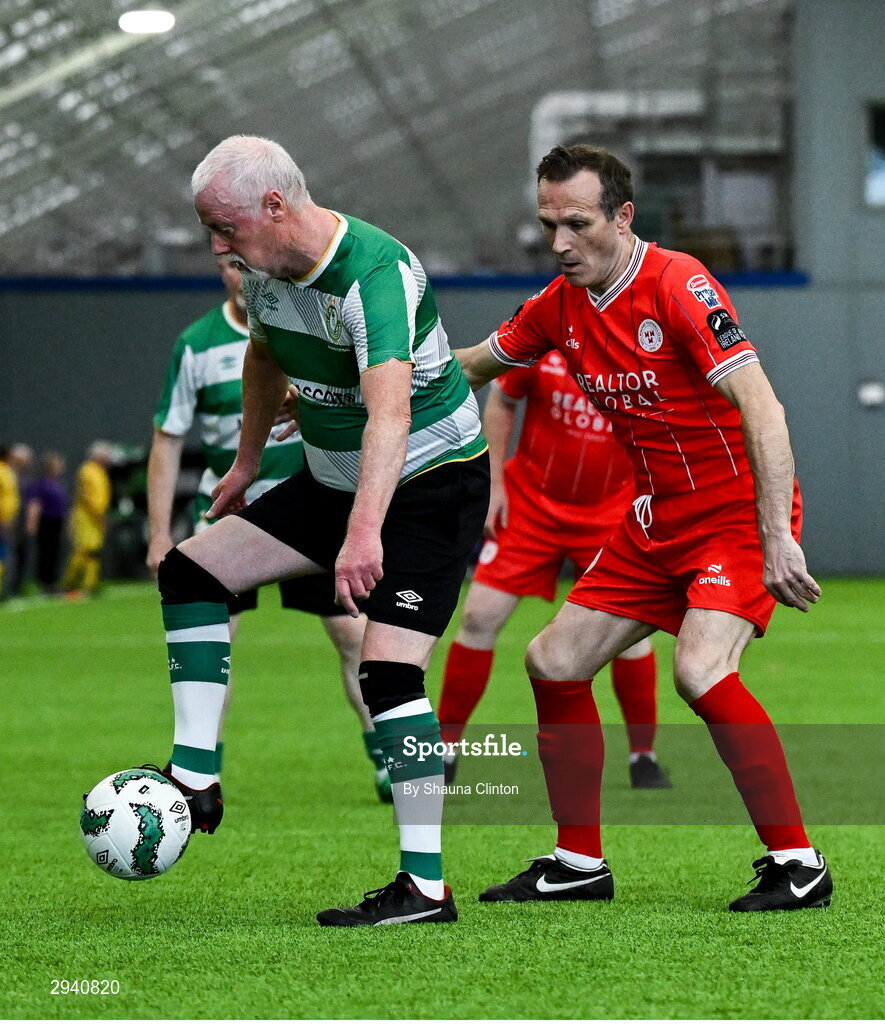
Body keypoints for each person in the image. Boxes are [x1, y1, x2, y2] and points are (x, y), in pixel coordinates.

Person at [456, 144, 831, 913]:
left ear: (622, 218)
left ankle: (798, 863)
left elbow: (763, 410)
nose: (559, 243)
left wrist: (774, 535)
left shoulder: (679, 283)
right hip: (655, 518)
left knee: (698, 672)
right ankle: (576, 863)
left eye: (577, 224)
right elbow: (470, 367)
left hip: (732, 515)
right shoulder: (557, 306)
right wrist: (359, 385)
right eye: (547, 225)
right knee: (552, 660)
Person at [154, 135, 489, 927]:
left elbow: (392, 415)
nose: (216, 246)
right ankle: (196, 772)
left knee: (387, 675)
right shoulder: (263, 273)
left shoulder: (375, 273)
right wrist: (242, 468)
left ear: (275, 206)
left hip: (429, 488)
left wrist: (362, 534)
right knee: (191, 572)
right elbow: (264, 362)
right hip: (334, 478)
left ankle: (425, 889)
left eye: (224, 227)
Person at [145, 259, 388, 802]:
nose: (241, 273)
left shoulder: (308, 320)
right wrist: (159, 533)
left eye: (247, 263)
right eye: (230, 264)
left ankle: (387, 762)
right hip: (229, 517)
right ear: (216, 263)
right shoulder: (196, 345)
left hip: (309, 510)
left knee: (354, 635)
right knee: (213, 640)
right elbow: (168, 437)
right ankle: (198, 773)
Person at [438, 352, 670, 788]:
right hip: (531, 505)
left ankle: (644, 757)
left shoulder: (643, 344)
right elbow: (502, 397)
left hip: (612, 511)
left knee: (629, 632)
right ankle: (446, 750)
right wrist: (495, 484)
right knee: (478, 616)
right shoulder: (545, 330)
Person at [62, 441, 114, 598]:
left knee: (94, 551)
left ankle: (90, 584)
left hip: (97, 516)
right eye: (106, 455)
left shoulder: (100, 472)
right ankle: (69, 583)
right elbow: (86, 496)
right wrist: (98, 515)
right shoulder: (87, 470)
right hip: (86, 517)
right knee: (83, 551)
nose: (108, 458)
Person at [23, 451, 69, 594]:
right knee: (46, 553)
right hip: (46, 522)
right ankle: (46, 583)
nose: (61, 467)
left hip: (57, 522)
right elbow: (35, 505)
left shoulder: (57, 484)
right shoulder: (41, 485)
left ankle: (53, 581)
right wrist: (32, 523)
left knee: (55, 552)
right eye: (58, 464)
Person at [0, 443, 33, 597]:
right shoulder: (3, 472)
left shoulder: (7, 472)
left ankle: (6, 589)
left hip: (9, 520)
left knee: (7, 555)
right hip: (3, 521)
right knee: (3, 555)